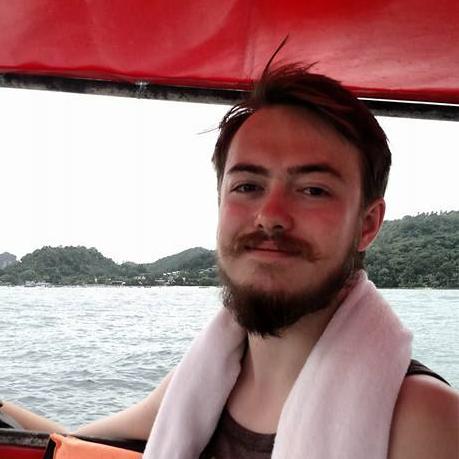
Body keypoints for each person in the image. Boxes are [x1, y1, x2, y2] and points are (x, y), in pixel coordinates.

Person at [1, 64, 457, 458]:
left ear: (367, 224)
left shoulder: (424, 420)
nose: (270, 215)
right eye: (247, 186)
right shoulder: (201, 382)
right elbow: (70, 442)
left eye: (313, 190)